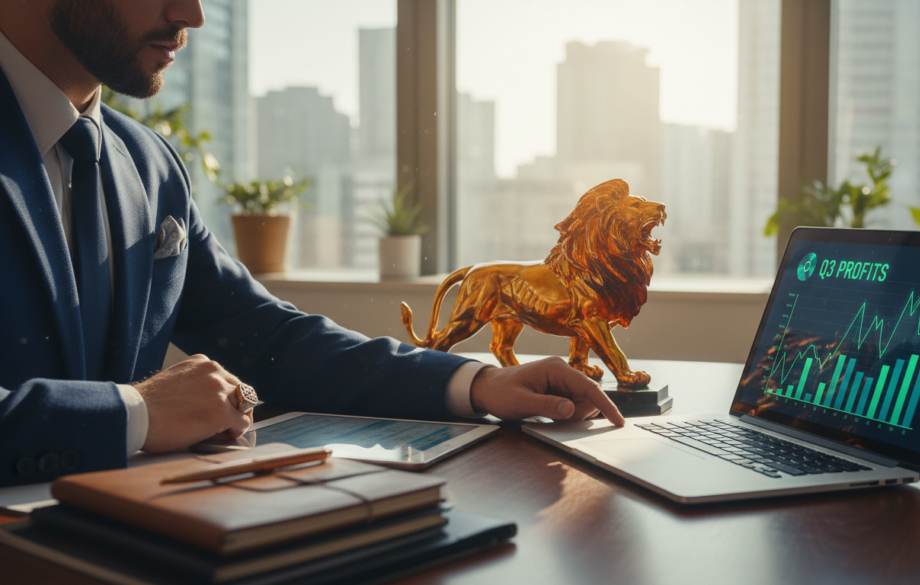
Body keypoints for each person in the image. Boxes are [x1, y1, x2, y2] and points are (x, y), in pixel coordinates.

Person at [0, 0, 624, 487]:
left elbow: (264, 337)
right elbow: (131, 408)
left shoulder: (149, 164)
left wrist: (472, 382)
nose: (193, 15)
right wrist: (134, 413)